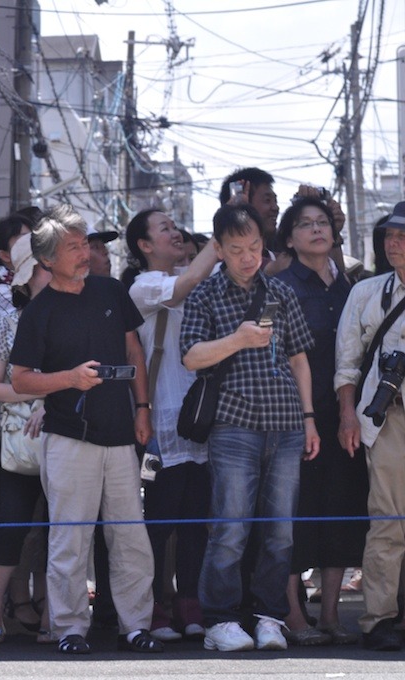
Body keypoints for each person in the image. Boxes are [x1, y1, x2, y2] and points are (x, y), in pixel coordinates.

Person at [9, 204, 160, 656]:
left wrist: (143, 409)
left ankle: (137, 625)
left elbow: (135, 350)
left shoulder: (112, 291)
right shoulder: (39, 311)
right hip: (68, 433)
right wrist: (69, 379)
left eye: (85, 244)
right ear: (47, 260)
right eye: (72, 247)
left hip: (120, 431)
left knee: (130, 536)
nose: (84, 253)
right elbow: (19, 379)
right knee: (70, 537)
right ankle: (70, 628)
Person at [181, 204, 319, 652]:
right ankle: (219, 621)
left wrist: (309, 418)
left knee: (280, 531)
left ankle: (268, 618)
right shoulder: (204, 295)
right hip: (233, 426)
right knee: (231, 526)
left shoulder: (280, 292)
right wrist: (238, 339)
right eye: (237, 248)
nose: (247, 257)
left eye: (255, 247)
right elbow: (191, 356)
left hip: (285, 424)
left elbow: (299, 357)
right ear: (218, 249)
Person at [273, 196, 365, 646]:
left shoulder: (350, 287)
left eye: (323, 222)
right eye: (305, 224)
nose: (316, 229)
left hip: (346, 417)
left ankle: (329, 614)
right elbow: (271, 354)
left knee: (341, 511)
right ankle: (295, 615)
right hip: (295, 418)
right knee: (297, 514)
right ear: (289, 238)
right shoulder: (278, 286)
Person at [124, 209, 218, 641]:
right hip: (161, 419)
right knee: (160, 522)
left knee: (196, 521)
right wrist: (220, 245)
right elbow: (182, 286)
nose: (176, 232)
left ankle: (189, 603)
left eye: (175, 226)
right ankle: (155, 606)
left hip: (201, 417)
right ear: (144, 246)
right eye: (164, 228)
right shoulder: (144, 286)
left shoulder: (200, 281)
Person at [334, 200, 405, 651]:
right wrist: (346, 415)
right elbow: (348, 363)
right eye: (390, 236)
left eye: (403, 236)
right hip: (387, 418)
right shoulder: (367, 292)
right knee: (387, 522)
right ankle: (379, 618)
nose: (394, 243)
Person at [0, 233, 52, 644]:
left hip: (70, 433)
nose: (52, 271)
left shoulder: (77, 315)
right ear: (25, 276)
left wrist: (53, 401)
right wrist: (43, 394)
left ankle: (53, 614)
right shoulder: (7, 321)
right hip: (20, 437)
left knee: (64, 527)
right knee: (13, 524)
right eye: (43, 266)